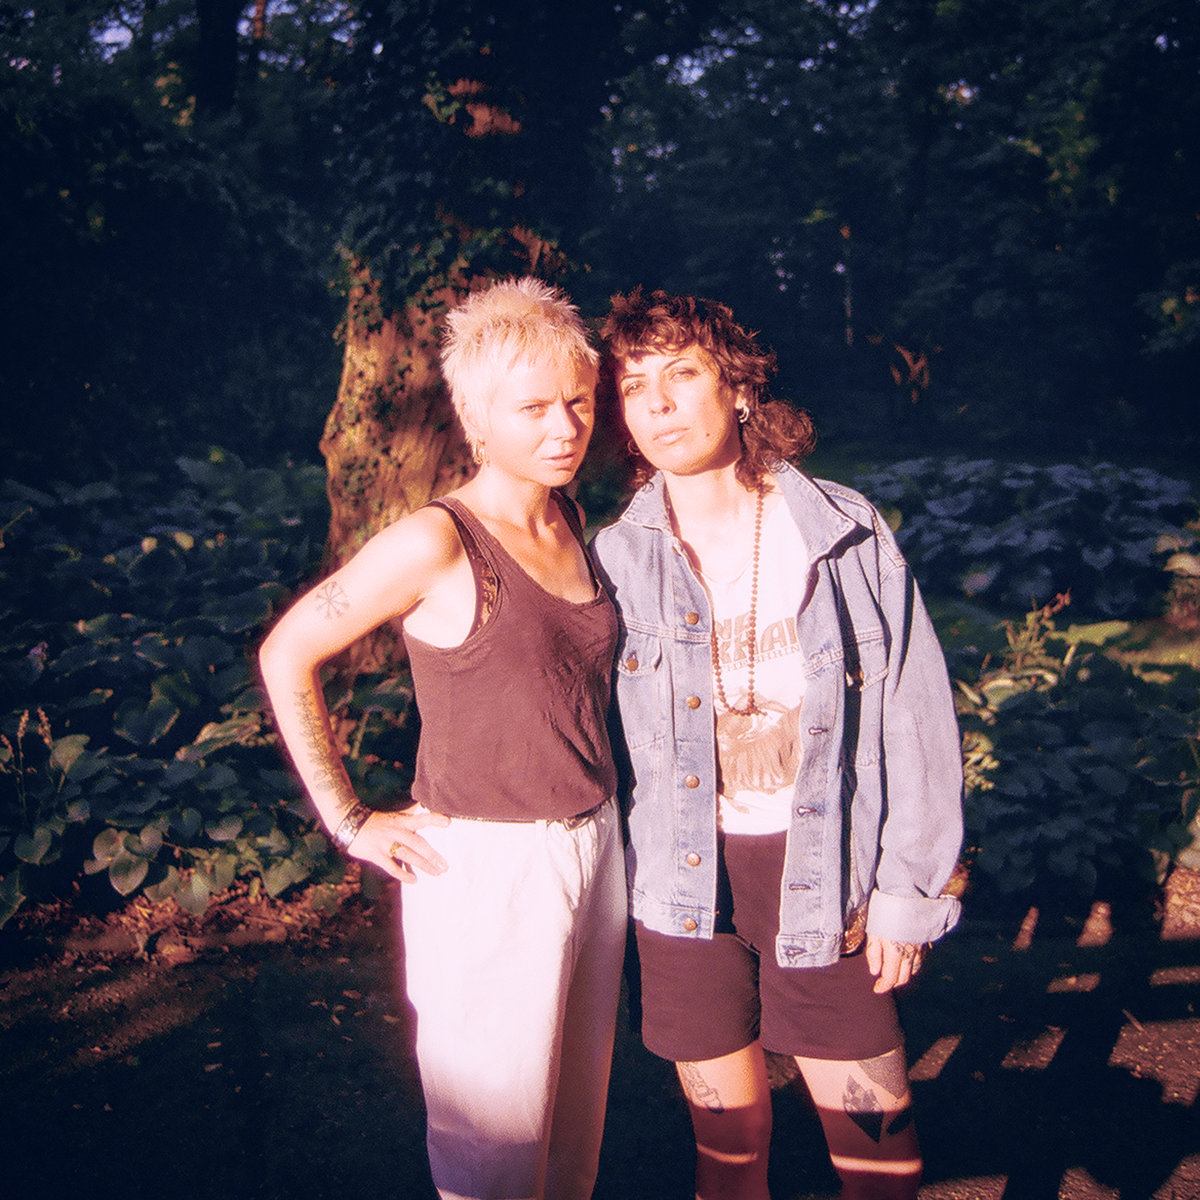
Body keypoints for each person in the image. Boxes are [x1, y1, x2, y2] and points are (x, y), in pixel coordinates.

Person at [590, 289, 964, 1200]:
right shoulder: (614, 558)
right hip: (684, 886)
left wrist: (908, 892)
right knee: (728, 1152)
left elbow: (915, 713)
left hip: (826, 872)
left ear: (741, 389)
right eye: (635, 386)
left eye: (682, 374)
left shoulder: (841, 531)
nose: (658, 404)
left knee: (879, 1154)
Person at [258, 278, 627, 1200]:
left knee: (573, 1144)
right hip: (492, 870)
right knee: (494, 1150)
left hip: (596, 845)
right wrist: (349, 821)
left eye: (579, 401)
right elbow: (286, 651)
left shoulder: (568, 517)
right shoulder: (439, 540)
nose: (565, 428)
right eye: (533, 408)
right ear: (474, 418)